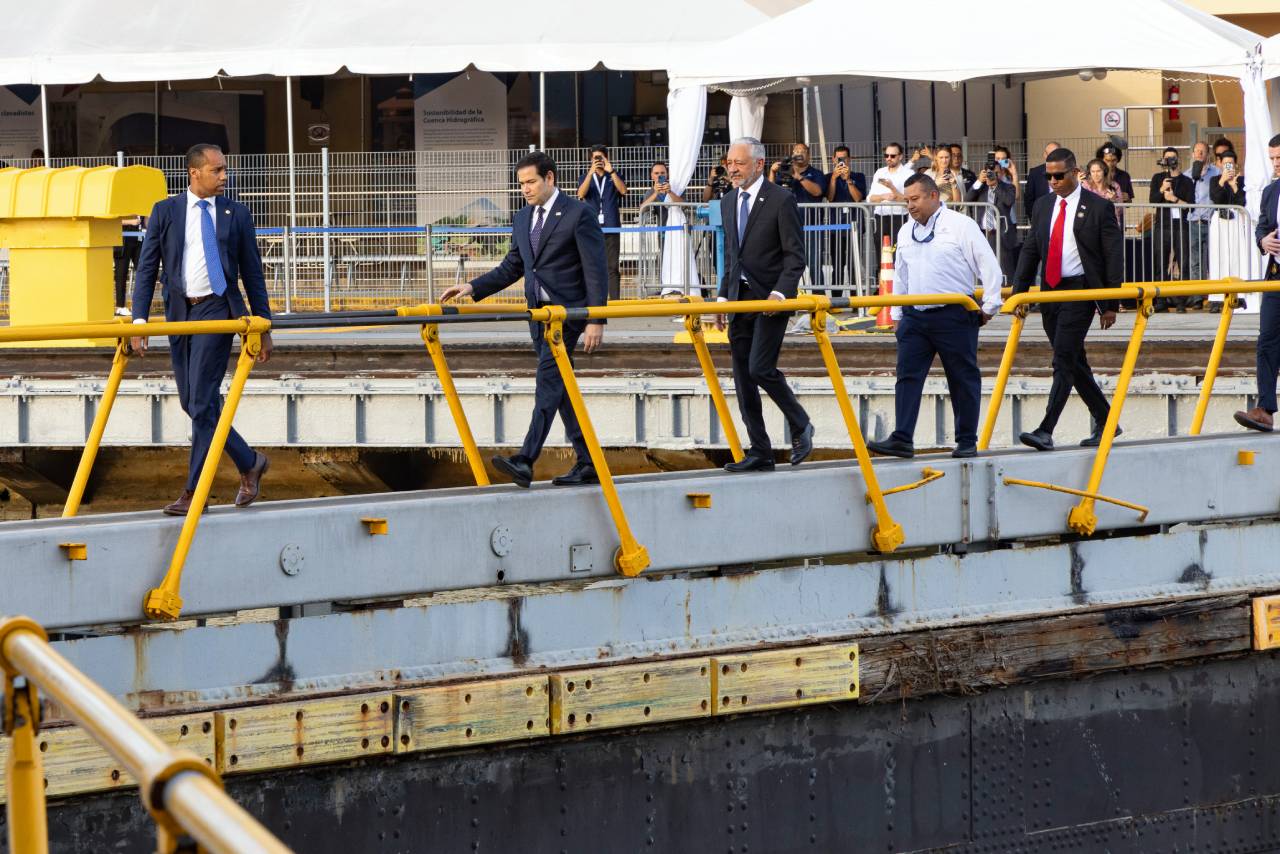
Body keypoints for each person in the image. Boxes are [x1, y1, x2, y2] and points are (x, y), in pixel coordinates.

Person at [442, 151, 608, 487]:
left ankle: (525, 459)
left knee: (548, 384)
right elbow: (513, 267)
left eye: (531, 182)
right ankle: (588, 461)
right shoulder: (522, 219)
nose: (526, 189)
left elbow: (595, 267)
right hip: (538, 317)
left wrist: (596, 318)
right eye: (521, 184)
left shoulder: (579, 214)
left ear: (550, 178)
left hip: (568, 315)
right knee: (560, 390)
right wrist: (473, 286)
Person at [129, 143, 272, 515]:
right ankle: (249, 461)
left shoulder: (236, 213)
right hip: (180, 313)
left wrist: (263, 325)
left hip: (218, 309)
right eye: (217, 170)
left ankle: (195, 492)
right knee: (193, 403)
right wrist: (139, 321)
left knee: (203, 402)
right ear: (195, 172)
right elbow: (146, 269)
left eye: (225, 170)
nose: (225, 176)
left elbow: (252, 272)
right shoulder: (166, 212)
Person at [866, 174, 1004, 460]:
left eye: (915, 199)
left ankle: (966, 439)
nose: (910, 206)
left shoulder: (960, 226)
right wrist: (896, 313)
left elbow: (987, 264)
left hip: (953, 314)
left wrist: (990, 306)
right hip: (915, 317)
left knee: (962, 377)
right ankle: (902, 437)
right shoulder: (906, 231)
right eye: (907, 201)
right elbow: (901, 275)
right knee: (907, 376)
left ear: (933, 196)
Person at [712, 136, 814, 473]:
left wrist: (780, 294)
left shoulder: (780, 200)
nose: (733, 169)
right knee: (742, 377)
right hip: (739, 301)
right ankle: (760, 450)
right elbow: (731, 256)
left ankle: (800, 424)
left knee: (759, 368)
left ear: (758, 164)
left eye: (739, 163)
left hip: (771, 298)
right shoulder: (727, 202)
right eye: (730, 163)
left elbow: (795, 257)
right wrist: (722, 300)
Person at [1012, 147, 1123, 451]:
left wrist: (1109, 302)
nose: (1053, 181)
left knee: (1062, 358)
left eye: (1059, 175)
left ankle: (1046, 429)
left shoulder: (1098, 208)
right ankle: (1106, 420)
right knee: (1074, 360)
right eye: (1048, 176)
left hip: (1082, 290)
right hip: (1050, 290)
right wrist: (1019, 292)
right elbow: (1032, 248)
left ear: (1076, 173)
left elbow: (1113, 255)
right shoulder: (1043, 205)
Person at [1233, 134, 1280, 433]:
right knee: (1267, 341)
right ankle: (1264, 409)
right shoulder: (1271, 190)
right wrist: (1262, 241)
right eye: (1273, 159)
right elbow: (1262, 224)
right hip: (1276, 276)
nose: (1276, 165)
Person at [769, 142, 825, 293]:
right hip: (787, 227)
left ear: (809, 155)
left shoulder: (816, 173)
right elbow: (769, 192)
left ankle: (819, 297)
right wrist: (773, 173)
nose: (799, 153)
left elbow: (817, 192)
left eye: (802, 151)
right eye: (796, 151)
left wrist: (797, 176)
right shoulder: (782, 172)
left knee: (814, 264)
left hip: (811, 227)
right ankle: (787, 296)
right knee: (788, 264)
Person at [577, 144, 626, 300]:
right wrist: (590, 173)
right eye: (595, 158)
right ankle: (596, 298)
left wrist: (610, 170)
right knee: (592, 265)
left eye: (601, 157)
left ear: (607, 158)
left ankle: (615, 301)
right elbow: (581, 194)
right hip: (591, 227)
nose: (598, 160)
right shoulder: (585, 177)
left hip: (611, 227)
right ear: (590, 159)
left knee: (612, 266)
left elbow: (623, 191)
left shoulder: (614, 175)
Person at [1149, 146, 1195, 310]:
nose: (1170, 161)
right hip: (1163, 225)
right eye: (1167, 158)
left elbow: (1191, 206)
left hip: (1180, 226)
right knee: (1161, 262)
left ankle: (1181, 301)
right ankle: (1160, 300)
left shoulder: (1186, 181)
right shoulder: (1157, 178)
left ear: (1178, 159)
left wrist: (1174, 199)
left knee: (1183, 262)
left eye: (1173, 158)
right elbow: (1152, 201)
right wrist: (1162, 190)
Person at [825, 144, 866, 298]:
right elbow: (829, 197)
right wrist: (835, 178)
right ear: (833, 159)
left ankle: (857, 301)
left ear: (849, 159)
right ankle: (836, 299)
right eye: (838, 158)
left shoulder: (859, 176)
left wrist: (848, 180)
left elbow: (857, 198)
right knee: (837, 264)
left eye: (844, 158)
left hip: (854, 225)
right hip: (836, 225)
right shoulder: (828, 177)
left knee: (854, 263)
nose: (841, 162)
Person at [966, 159, 1018, 280]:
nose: (994, 175)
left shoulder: (1008, 187)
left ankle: (1006, 296)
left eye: (997, 173)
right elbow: (968, 199)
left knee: (1004, 268)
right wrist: (979, 181)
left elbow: (1009, 201)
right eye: (991, 173)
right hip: (983, 233)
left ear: (1001, 173)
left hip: (1000, 233)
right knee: (983, 267)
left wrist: (995, 185)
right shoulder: (980, 187)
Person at [868, 142, 911, 255]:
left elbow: (909, 200)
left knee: (898, 251)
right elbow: (870, 198)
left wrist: (892, 189)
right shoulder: (879, 172)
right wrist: (882, 197)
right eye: (886, 155)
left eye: (892, 156)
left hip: (900, 217)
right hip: (880, 216)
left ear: (900, 156)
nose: (889, 158)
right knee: (880, 250)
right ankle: (880, 273)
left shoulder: (908, 174)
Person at [1187, 141, 1219, 289]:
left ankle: (1214, 295)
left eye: (1203, 151)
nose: (1199, 154)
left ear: (1207, 155)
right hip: (1194, 222)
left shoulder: (1216, 172)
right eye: (1197, 151)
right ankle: (1197, 296)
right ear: (1193, 154)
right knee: (1195, 261)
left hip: (1211, 222)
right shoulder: (1187, 175)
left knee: (1213, 259)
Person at [113, 215, 145, 317]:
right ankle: (120, 306)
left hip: (138, 238)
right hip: (123, 239)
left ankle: (138, 306)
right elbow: (113, 221)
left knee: (142, 272)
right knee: (121, 274)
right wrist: (131, 221)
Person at [1024, 142, 1059, 221]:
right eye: (1048, 154)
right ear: (1044, 155)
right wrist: (1033, 218)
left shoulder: (1068, 172)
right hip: (1041, 218)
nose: (1051, 157)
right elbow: (1028, 199)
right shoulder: (1035, 173)